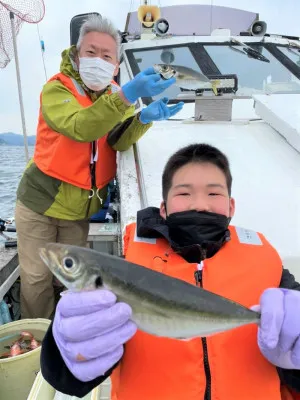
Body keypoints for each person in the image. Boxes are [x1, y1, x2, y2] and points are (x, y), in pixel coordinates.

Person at [40, 143, 300, 399]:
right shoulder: (126, 269)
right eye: (184, 194)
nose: (200, 205)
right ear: (163, 208)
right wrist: (63, 352)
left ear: (231, 207)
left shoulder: (272, 274)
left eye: (214, 194)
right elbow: (69, 381)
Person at [14, 14, 184, 320]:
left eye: (107, 56)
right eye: (91, 52)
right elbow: (80, 127)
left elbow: (116, 141)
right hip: (39, 204)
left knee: (74, 280)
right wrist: (127, 94)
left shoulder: (113, 97)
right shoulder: (58, 90)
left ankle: (69, 331)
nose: (98, 60)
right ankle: (38, 341)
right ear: (77, 56)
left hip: (77, 212)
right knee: (37, 278)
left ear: (116, 67)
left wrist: (144, 119)